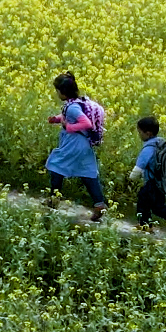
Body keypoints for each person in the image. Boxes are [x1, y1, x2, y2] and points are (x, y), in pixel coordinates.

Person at [43, 72, 108, 223]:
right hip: (84, 145)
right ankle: (99, 205)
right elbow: (70, 116)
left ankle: (54, 199)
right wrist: (57, 119)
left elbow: (86, 123)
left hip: (74, 144)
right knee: (87, 172)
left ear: (62, 92)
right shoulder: (76, 103)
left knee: (56, 164)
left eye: (57, 90)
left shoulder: (72, 107)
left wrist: (68, 126)